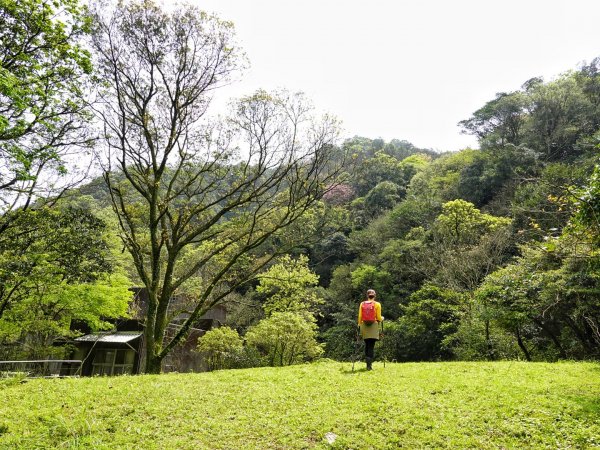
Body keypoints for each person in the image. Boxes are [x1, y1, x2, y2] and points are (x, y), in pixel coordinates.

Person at [357, 289, 383, 370]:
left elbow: (360, 316)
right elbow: (378, 317)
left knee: (367, 345)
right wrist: (382, 318)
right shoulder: (377, 304)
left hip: (364, 325)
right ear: (375, 295)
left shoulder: (362, 304)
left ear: (367, 295)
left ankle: (367, 365)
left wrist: (359, 325)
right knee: (371, 346)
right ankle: (369, 366)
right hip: (374, 325)